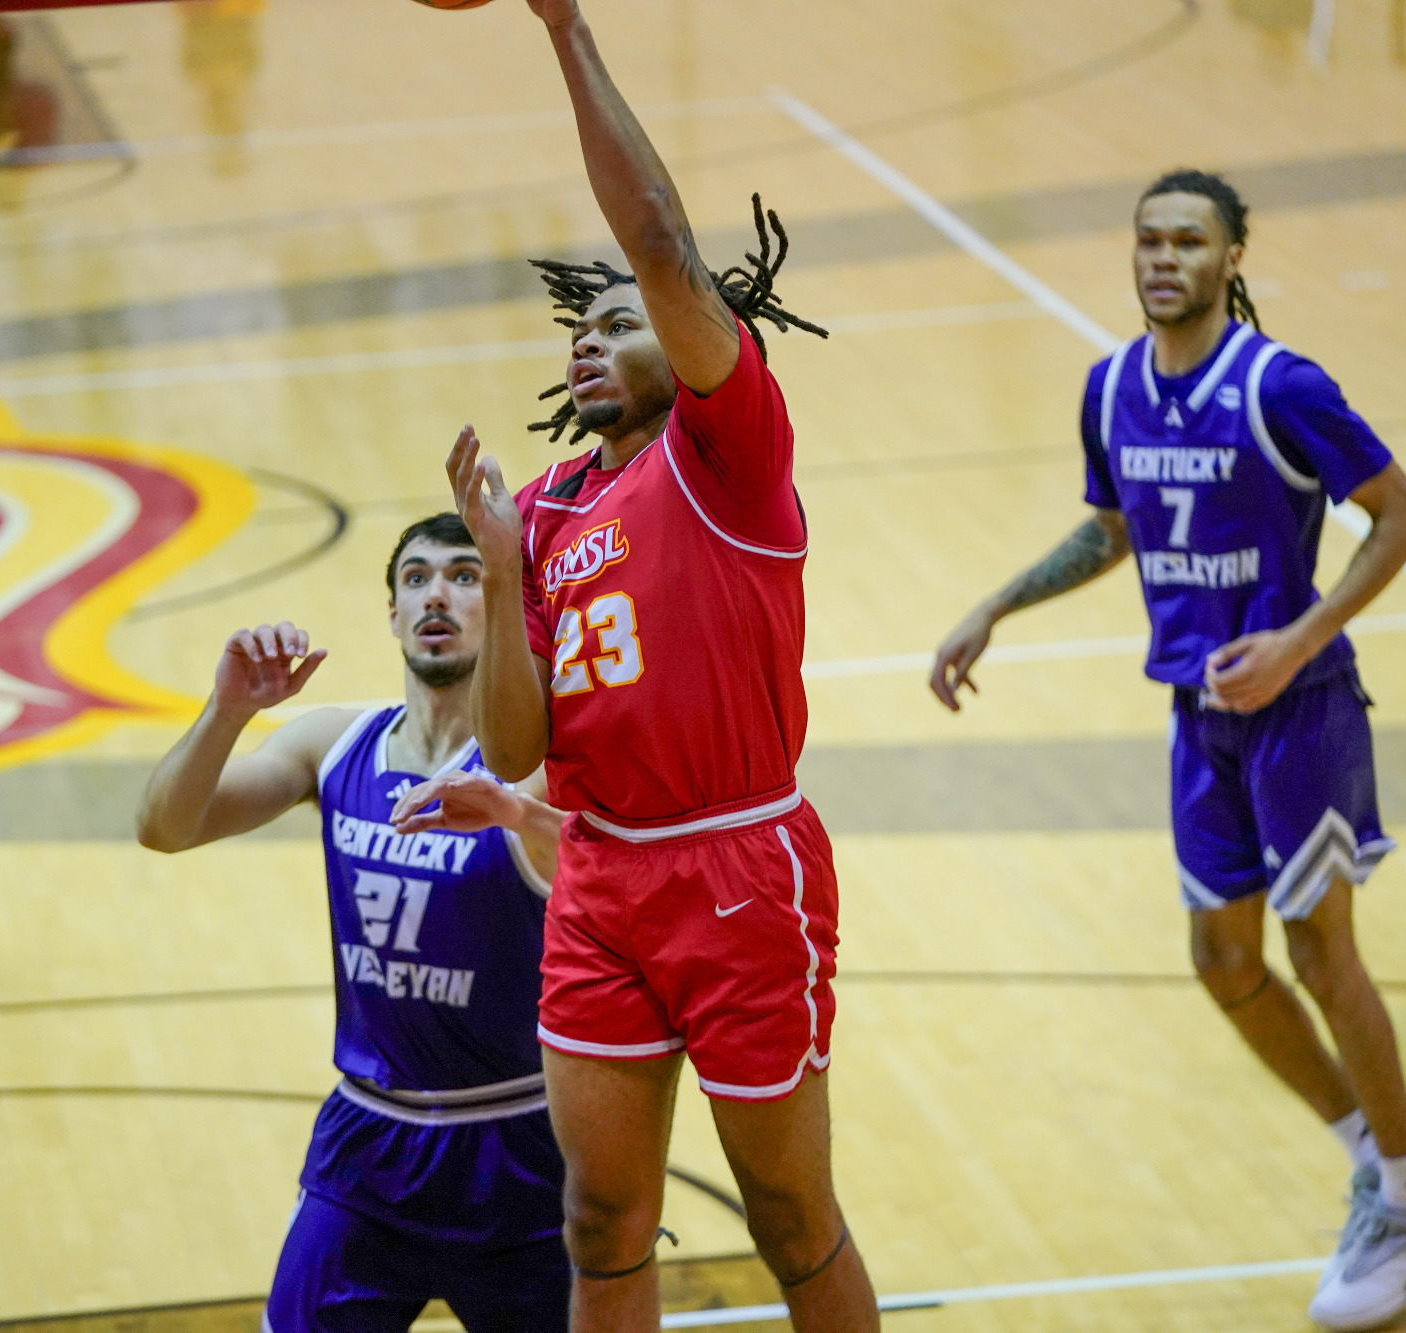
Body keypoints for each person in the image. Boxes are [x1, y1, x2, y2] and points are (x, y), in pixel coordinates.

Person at [931, 171, 1406, 1332]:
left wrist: (1300, 636)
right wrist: (993, 606)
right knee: (1221, 960)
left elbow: (1401, 517)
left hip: (1300, 710)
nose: (1162, 257)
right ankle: (1381, 1173)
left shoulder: (1279, 384)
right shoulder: (1110, 387)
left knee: (1321, 954)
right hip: (1194, 716)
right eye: (1146, 240)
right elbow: (1113, 527)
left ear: (1232, 258)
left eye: (1188, 240)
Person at [434, 2, 878, 1329]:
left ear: (686, 347)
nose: (588, 332)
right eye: (579, 322)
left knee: (790, 1216)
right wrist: (501, 560)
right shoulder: (556, 509)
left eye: (618, 318)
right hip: (604, 875)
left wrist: (562, 25)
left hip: (740, 868)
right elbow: (512, 750)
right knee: (599, 1218)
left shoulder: (725, 451)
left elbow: (664, 246)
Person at [136, 513, 571, 1333]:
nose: (436, 593)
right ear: (393, 614)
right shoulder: (335, 745)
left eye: (464, 574)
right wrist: (228, 708)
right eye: (415, 578)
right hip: (368, 1142)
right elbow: (164, 826)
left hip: (513, 1142)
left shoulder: (538, 771)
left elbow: (608, 873)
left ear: (503, 603)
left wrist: (517, 815)